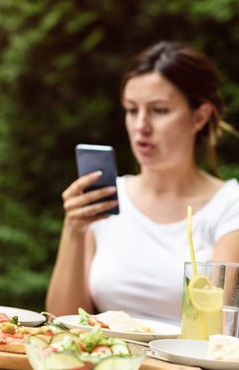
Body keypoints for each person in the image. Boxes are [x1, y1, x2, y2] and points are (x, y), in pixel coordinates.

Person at [46, 41, 239, 325]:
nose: (141, 126)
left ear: (199, 116)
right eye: (132, 110)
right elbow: (60, 320)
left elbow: (213, 331)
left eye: (159, 110)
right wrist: (74, 229)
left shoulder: (228, 206)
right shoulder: (107, 198)